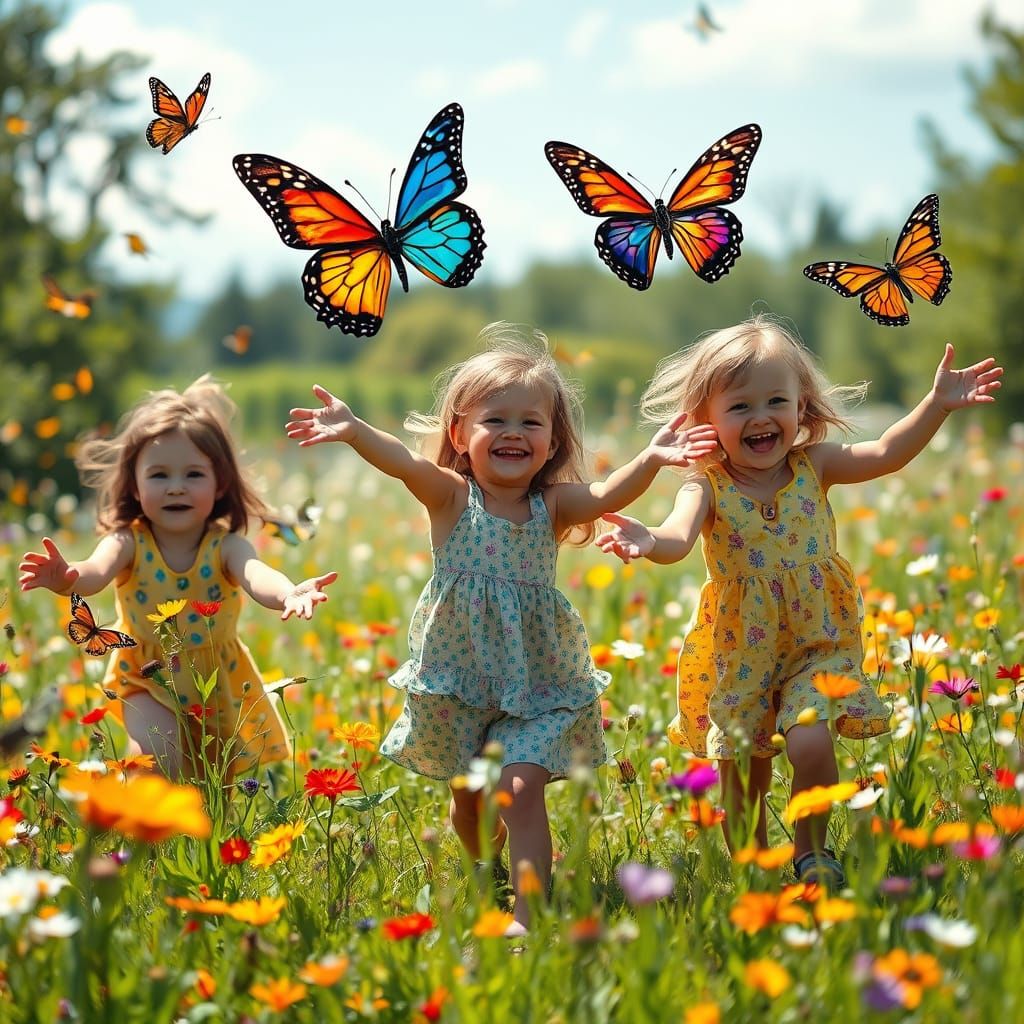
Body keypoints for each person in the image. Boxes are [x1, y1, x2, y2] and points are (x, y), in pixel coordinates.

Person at [285, 323, 717, 935]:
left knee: (519, 787)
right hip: (460, 681)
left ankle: (530, 911)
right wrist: (355, 431)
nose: (513, 432)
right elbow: (404, 462)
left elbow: (605, 492)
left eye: (531, 423)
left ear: (551, 442)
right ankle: (490, 871)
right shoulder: (451, 498)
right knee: (469, 803)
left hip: (537, 679)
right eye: (495, 420)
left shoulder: (554, 506)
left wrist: (650, 458)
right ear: (460, 435)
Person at [597, 315, 1003, 889]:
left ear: (802, 407)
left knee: (812, 737)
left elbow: (888, 452)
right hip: (743, 650)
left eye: (776, 401)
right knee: (745, 770)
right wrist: (646, 542)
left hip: (819, 645)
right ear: (705, 421)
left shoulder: (816, 465)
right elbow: (676, 537)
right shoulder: (706, 486)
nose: (761, 418)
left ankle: (812, 852)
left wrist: (936, 405)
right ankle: (751, 864)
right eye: (739, 407)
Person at [19, 377, 337, 781]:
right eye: (158, 476)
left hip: (215, 680)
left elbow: (258, 576)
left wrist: (290, 592)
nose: (175, 488)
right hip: (146, 672)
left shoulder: (225, 546)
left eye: (192, 474)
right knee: (156, 756)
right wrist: (66, 578)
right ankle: (135, 831)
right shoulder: (129, 541)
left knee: (208, 788)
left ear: (220, 482)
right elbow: (94, 573)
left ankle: (182, 837)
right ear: (134, 485)